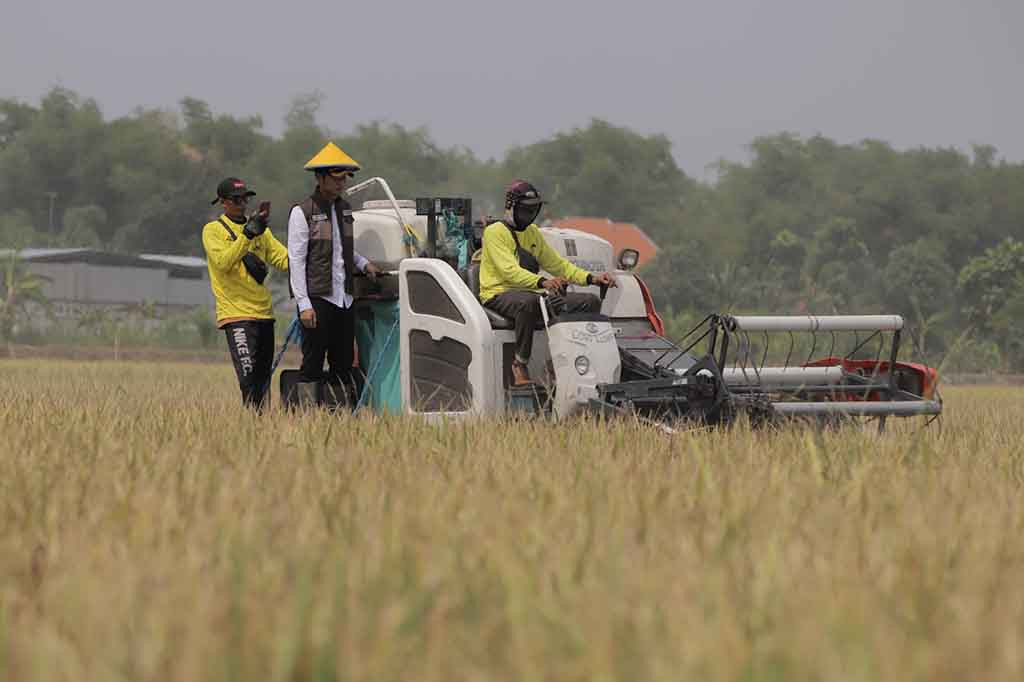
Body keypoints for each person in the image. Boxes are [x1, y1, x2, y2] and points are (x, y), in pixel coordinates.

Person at [479, 180, 617, 385]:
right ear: (511, 206)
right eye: (526, 210)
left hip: (533, 294)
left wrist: (592, 279)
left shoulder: (532, 233)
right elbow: (509, 271)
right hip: (499, 294)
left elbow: (559, 265)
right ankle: (519, 364)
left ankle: (570, 362)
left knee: (589, 302)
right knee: (530, 303)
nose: (530, 215)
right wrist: (543, 282)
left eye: (533, 210)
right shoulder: (494, 232)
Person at [288, 142, 381, 402]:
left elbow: (343, 249)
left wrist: (364, 264)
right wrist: (304, 304)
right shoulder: (302, 212)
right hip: (318, 298)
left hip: (345, 297)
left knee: (343, 362)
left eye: (344, 179)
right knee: (313, 361)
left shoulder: (344, 208)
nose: (341, 184)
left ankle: (339, 415)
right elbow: (296, 261)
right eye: (336, 178)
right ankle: (307, 414)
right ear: (320, 178)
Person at [202, 177, 289, 409]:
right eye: (236, 199)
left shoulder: (261, 230)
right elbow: (223, 262)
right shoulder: (213, 230)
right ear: (223, 202)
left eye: (245, 199)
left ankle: (259, 427)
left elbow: (283, 259)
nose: (242, 204)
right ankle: (249, 426)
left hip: (264, 315)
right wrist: (246, 235)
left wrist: (313, 257)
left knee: (262, 381)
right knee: (248, 380)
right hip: (236, 315)